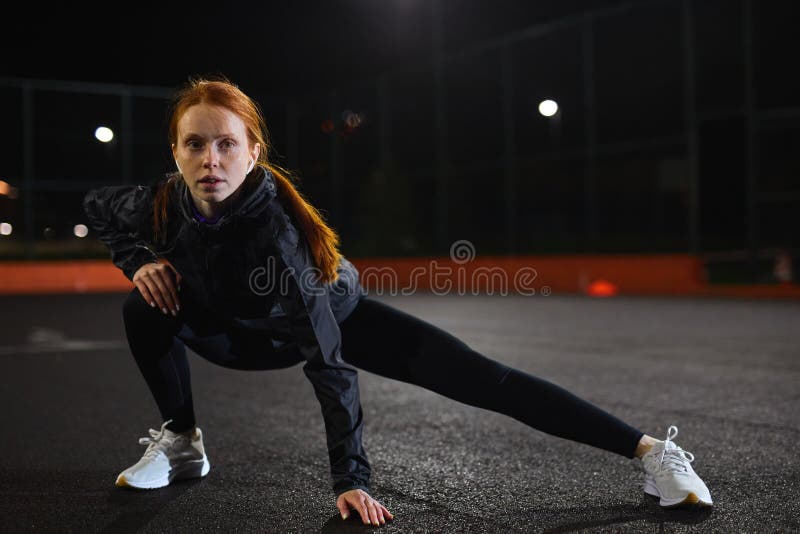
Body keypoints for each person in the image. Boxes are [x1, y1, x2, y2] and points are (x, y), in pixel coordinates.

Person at [83, 76, 712, 527]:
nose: (210, 160)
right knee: (143, 307)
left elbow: (330, 367)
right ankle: (184, 442)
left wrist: (351, 481)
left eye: (226, 144)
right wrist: (141, 263)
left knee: (483, 378)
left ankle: (654, 453)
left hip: (331, 320)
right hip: (232, 329)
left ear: (253, 153)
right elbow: (96, 209)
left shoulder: (278, 240)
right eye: (195, 144)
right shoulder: (161, 201)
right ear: (175, 152)